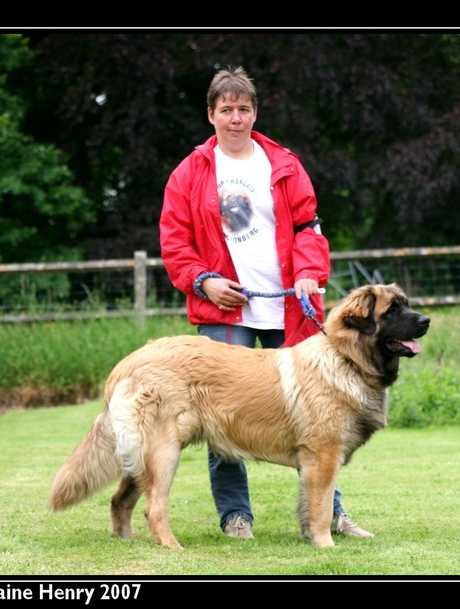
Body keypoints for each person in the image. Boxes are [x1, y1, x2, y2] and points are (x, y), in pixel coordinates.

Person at [159, 66, 372, 541]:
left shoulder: (284, 164)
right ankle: (236, 517)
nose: (236, 118)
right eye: (226, 109)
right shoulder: (189, 172)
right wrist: (204, 282)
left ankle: (331, 514)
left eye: (244, 109)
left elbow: (308, 228)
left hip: (289, 310)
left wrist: (310, 274)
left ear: (255, 112)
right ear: (210, 114)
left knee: (323, 422)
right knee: (221, 417)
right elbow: (175, 244)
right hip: (224, 311)